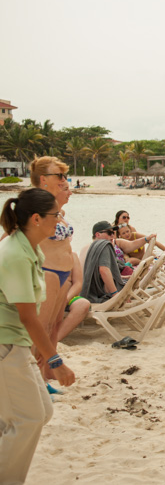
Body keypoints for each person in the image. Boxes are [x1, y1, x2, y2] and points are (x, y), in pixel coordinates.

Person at [0, 188, 76, 484]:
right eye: (55, 215)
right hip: (6, 345)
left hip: (15, 343)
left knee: (40, 411)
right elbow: (28, 317)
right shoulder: (15, 253)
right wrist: (55, 360)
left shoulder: (30, 247)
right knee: (28, 419)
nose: (59, 220)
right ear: (36, 218)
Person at [28, 157, 76, 381]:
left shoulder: (55, 209)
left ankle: (45, 375)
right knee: (41, 330)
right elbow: (13, 233)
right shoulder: (33, 205)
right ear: (43, 179)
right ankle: (33, 379)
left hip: (62, 275)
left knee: (53, 326)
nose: (63, 180)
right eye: (59, 176)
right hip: (47, 274)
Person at [82, 221, 134, 303]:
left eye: (113, 233)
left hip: (89, 292)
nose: (113, 235)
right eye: (109, 233)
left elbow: (96, 273)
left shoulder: (92, 246)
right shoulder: (105, 245)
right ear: (98, 234)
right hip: (102, 293)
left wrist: (122, 277)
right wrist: (115, 294)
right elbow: (104, 270)